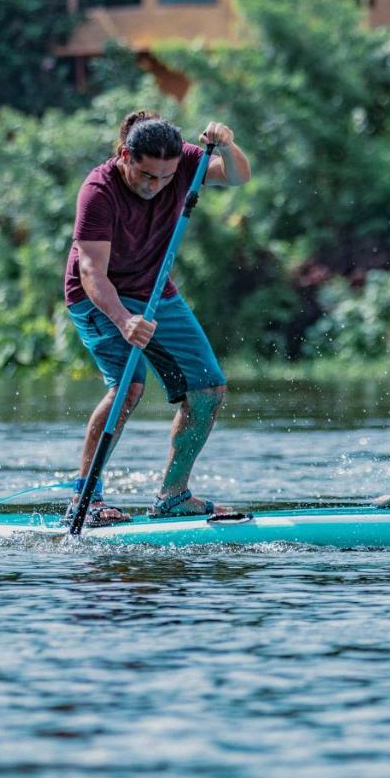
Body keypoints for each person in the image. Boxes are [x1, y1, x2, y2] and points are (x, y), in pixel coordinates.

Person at [64, 111, 250, 526]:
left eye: (166, 179)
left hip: (156, 292)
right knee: (128, 388)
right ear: (125, 155)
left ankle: (172, 497)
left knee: (208, 388)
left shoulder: (186, 162)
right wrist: (122, 320)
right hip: (99, 296)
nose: (157, 186)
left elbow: (237, 176)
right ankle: (86, 500)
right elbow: (90, 270)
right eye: (148, 176)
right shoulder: (98, 190)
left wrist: (228, 145)